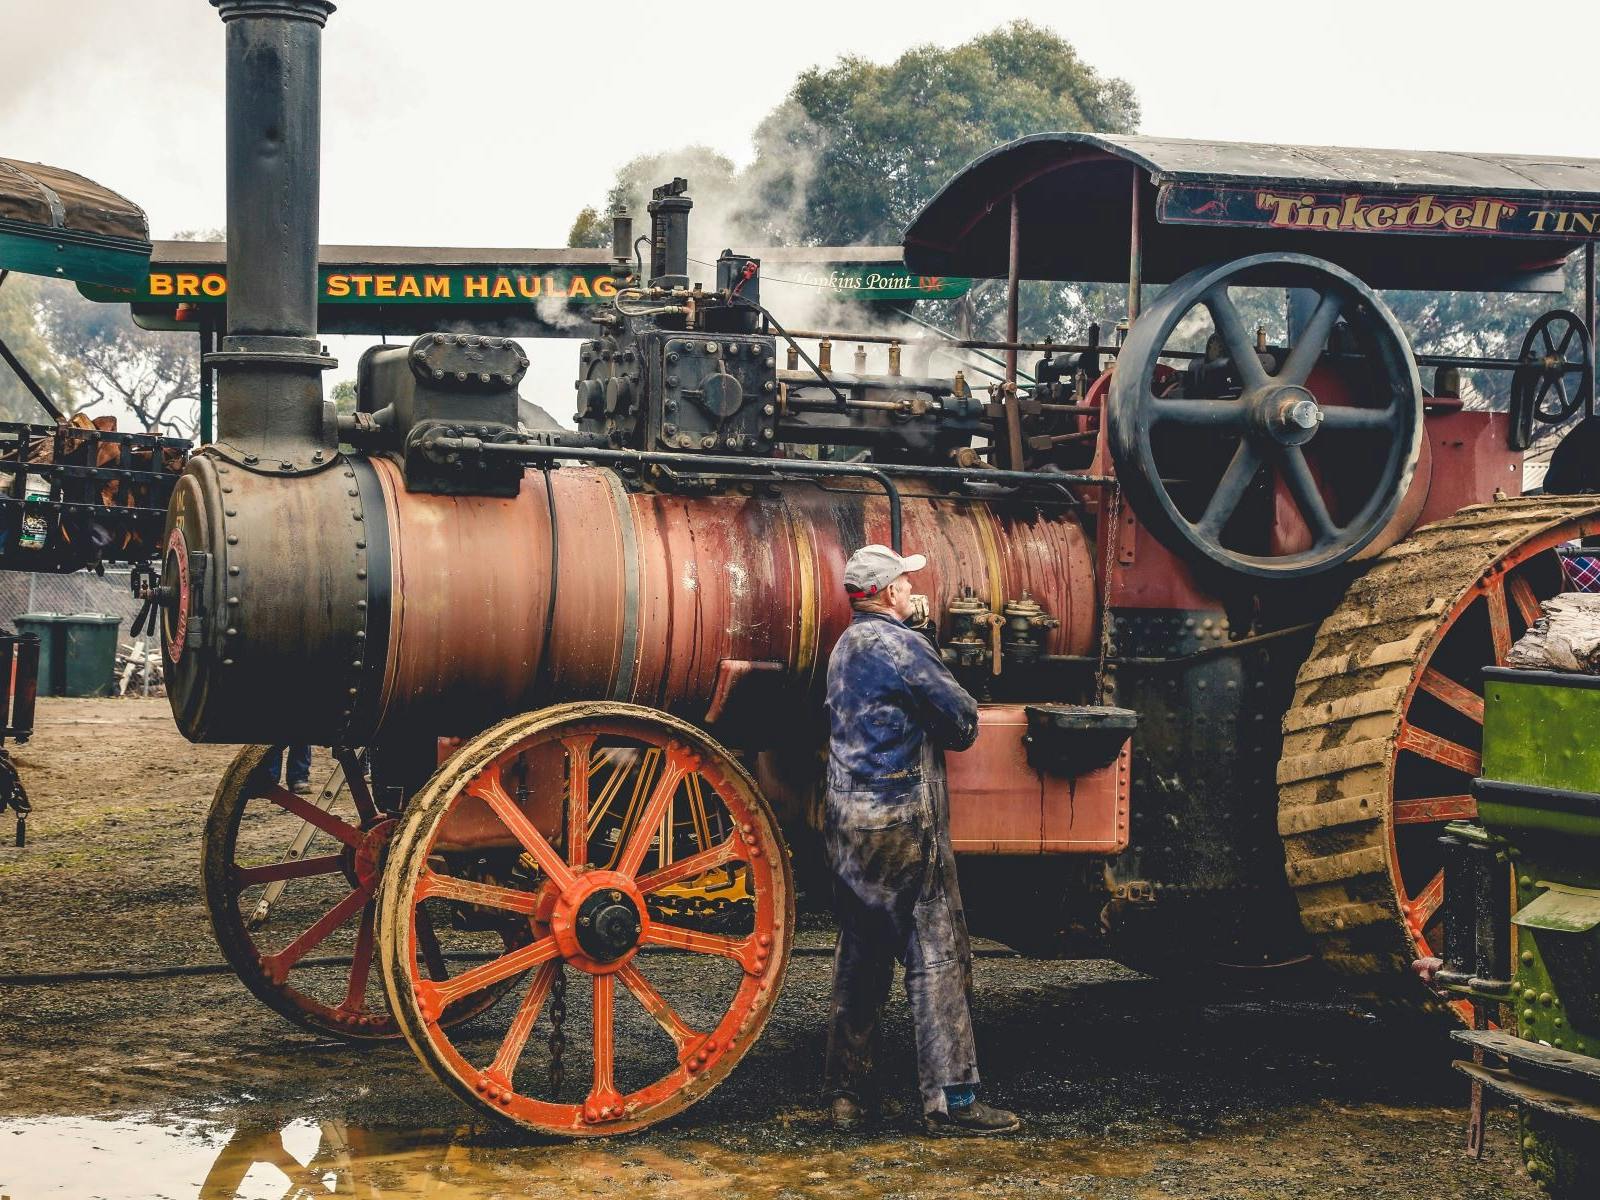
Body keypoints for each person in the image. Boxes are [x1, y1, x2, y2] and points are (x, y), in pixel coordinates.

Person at [821, 543, 1020, 1137]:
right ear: (885, 593)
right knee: (936, 952)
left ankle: (846, 1098)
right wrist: (931, 653)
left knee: (859, 953)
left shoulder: (844, 646)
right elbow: (961, 723)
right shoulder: (901, 645)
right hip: (904, 818)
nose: (913, 590)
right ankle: (952, 1101)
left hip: (847, 818)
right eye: (905, 584)